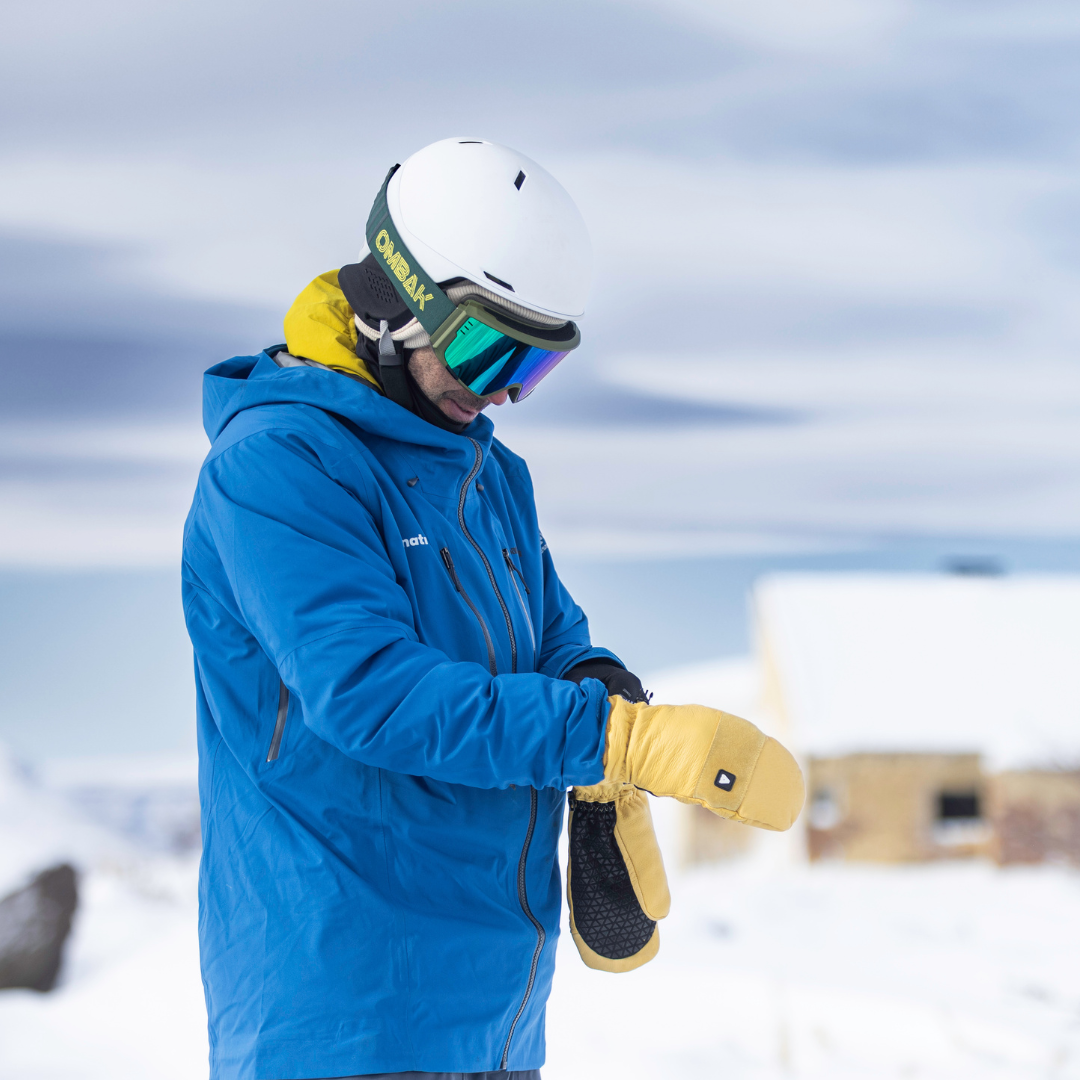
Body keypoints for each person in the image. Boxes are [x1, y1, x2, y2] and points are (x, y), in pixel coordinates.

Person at [182, 138, 804, 1080]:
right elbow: (373, 696)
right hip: (345, 1014)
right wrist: (611, 740)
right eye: (489, 350)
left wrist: (601, 691)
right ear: (398, 302)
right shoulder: (277, 468)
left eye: (538, 366)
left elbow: (551, 638)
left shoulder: (488, 472)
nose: (507, 390)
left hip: (497, 1015)